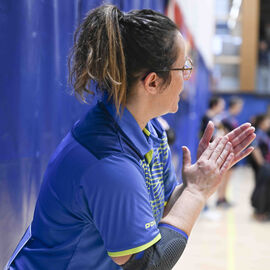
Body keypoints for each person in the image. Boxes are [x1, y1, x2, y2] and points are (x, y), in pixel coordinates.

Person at [6, 5, 256, 270]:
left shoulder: (151, 129)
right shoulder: (109, 162)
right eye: (183, 67)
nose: (187, 77)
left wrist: (197, 181)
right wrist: (195, 193)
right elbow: (147, 264)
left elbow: (165, 207)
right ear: (152, 82)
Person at [216, 97, 244, 208]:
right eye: (239, 106)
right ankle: (219, 199)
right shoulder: (225, 118)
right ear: (234, 106)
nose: (240, 109)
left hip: (233, 151)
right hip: (226, 151)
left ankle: (223, 198)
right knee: (223, 176)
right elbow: (221, 132)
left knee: (228, 177)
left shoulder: (232, 118)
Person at [249, 114, 270, 221]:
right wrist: (262, 164)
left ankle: (264, 210)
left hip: (266, 166)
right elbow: (255, 149)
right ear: (262, 122)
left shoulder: (264, 134)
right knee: (261, 188)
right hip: (263, 167)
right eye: (267, 121)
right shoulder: (258, 134)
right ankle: (259, 211)